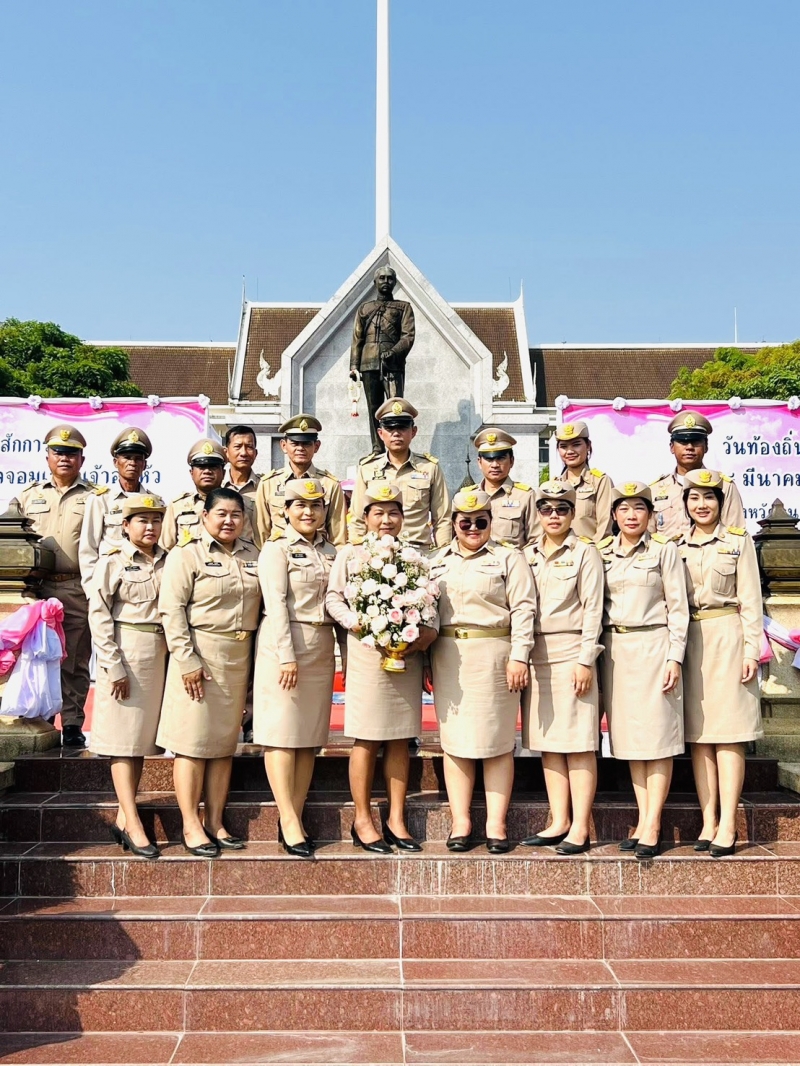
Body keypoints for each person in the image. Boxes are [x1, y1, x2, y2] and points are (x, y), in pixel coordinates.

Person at [326, 482, 438, 853]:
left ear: (403, 518)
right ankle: (362, 819)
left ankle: (396, 819)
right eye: (378, 513)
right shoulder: (350, 554)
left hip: (406, 656)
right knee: (367, 737)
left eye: (393, 513)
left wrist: (425, 635)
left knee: (400, 737)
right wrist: (356, 622)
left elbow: (430, 601)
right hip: (367, 655)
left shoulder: (414, 555)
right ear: (365, 517)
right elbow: (334, 598)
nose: (386, 520)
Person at [429, 489, 536, 853]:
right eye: (465, 523)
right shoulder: (437, 560)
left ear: (491, 521)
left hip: (495, 655)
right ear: (454, 524)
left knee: (497, 742)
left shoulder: (508, 557)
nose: (473, 528)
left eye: (481, 521)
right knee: (455, 743)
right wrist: (426, 660)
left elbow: (523, 608)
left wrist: (519, 655)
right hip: (449, 656)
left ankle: (496, 822)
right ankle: (460, 821)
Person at [156, 487, 261, 857]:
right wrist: (187, 661)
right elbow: (171, 610)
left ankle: (215, 820)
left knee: (222, 745)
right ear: (204, 517)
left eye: (236, 514)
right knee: (192, 744)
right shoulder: (187, 554)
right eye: (221, 514)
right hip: (200, 654)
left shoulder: (254, 555)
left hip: (238, 657)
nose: (229, 521)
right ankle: (190, 823)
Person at [600, 481, 690, 859]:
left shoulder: (663, 550)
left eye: (639, 508)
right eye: (624, 509)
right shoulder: (602, 552)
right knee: (633, 742)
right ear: (614, 515)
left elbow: (678, 608)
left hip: (654, 646)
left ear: (651, 515)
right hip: (617, 652)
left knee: (657, 738)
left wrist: (675, 657)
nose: (631, 515)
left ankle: (653, 823)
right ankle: (642, 816)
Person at [679, 469, 763, 858]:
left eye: (709, 498)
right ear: (685, 504)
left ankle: (728, 822)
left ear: (720, 502)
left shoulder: (737, 542)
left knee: (729, 734)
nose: (702, 505)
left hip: (728, 636)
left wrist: (751, 650)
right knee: (699, 737)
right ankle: (708, 819)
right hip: (690, 642)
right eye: (694, 498)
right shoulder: (675, 546)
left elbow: (751, 600)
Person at [253, 478, 337, 858]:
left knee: (308, 738)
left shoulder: (331, 551)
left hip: (320, 646)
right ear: (285, 510)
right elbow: (275, 603)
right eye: (300, 505)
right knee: (282, 733)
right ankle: (287, 818)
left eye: (316, 506)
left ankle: (296, 815)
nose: (308, 512)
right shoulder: (277, 549)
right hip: (284, 644)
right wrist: (287, 655)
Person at [520, 482, 604, 854]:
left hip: (573, 650)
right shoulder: (526, 554)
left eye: (562, 509)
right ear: (538, 513)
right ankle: (559, 820)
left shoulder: (585, 552)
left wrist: (586, 659)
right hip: (538, 653)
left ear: (572, 513)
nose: (554, 516)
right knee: (549, 742)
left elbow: (593, 609)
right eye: (546, 509)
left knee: (579, 743)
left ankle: (581, 825)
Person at [87, 494, 168, 860]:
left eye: (156, 520)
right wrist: (112, 664)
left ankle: (124, 814)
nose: (150, 527)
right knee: (123, 740)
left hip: (158, 654)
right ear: (125, 525)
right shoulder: (113, 561)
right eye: (142, 520)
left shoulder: (169, 559)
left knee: (139, 741)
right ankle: (133, 822)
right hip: (126, 652)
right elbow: (99, 614)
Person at [16, 424, 93, 747]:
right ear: (47, 456)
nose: (65, 458)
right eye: (58, 452)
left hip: (77, 588)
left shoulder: (94, 497)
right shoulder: (27, 497)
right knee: (37, 657)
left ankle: (73, 722)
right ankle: (40, 718)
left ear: (82, 459)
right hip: (38, 591)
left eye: (72, 453)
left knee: (74, 659)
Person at [349, 398, 451, 551]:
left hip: (418, 552)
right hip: (377, 554)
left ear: (413, 431)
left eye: (402, 427)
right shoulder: (367, 469)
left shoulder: (429, 468)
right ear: (380, 433)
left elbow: (442, 518)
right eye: (390, 428)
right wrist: (359, 554)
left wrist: (443, 554)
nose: (396, 433)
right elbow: (357, 519)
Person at [350, 265, 415, 456]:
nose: (386, 282)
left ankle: (398, 449)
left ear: (394, 282)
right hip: (368, 363)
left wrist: (394, 352)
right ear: (375, 282)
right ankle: (377, 447)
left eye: (389, 278)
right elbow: (357, 339)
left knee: (395, 407)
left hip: (393, 365)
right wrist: (354, 366)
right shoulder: (364, 308)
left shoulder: (403, 307)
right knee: (373, 407)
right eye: (382, 278)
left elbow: (408, 336)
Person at [255, 415, 347, 548]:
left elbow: (338, 536)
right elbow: (261, 533)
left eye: (306, 443)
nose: (300, 448)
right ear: (284, 445)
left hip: (318, 555)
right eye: (294, 443)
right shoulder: (268, 484)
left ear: (316, 446)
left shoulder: (330, 484)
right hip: (281, 553)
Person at [650, 411, 746, 538]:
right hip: (667, 551)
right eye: (683, 442)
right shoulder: (655, 490)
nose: (689, 447)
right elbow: (647, 538)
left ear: (706, 447)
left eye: (695, 442)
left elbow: (735, 536)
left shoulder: (724, 486)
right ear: (672, 447)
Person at [79, 427, 153, 591]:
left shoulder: (153, 502)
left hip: (144, 581)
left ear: (144, 464)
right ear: (115, 462)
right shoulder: (100, 500)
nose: (132, 463)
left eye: (138, 459)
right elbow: (88, 550)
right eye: (127, 457)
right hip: (109, 581)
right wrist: (92, 591)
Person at [161, 438, 257, 550]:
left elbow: (247, 544)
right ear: (191, 473)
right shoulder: (177, 506)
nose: (207, 471)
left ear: (223, 473)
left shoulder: (237, 503)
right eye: (201, 467)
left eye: (213, 466)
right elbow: (166, 547)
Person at [464, 428, 538, 548]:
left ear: (512, 461)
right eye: (489, 459)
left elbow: (536, 540)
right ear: (479, 462)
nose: (495, 465)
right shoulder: (467, 496)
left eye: (501, 458)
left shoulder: (525, 496)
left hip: (512, 559)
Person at [553, 421, 613, 542]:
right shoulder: (554, 485)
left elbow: (605, 525)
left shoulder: (600, 481)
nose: (570, 451)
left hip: (592, 550)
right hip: (560, 551)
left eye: (576, 445)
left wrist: (592, 551)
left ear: (588, 445)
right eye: (563, 446)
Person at [223, 424, 262, 549]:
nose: (244, 453)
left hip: (257, 555)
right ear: (226, 452)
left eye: (249, 447)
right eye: (237, 447)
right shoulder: (217, 487)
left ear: (255, 453)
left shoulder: (265, 487)